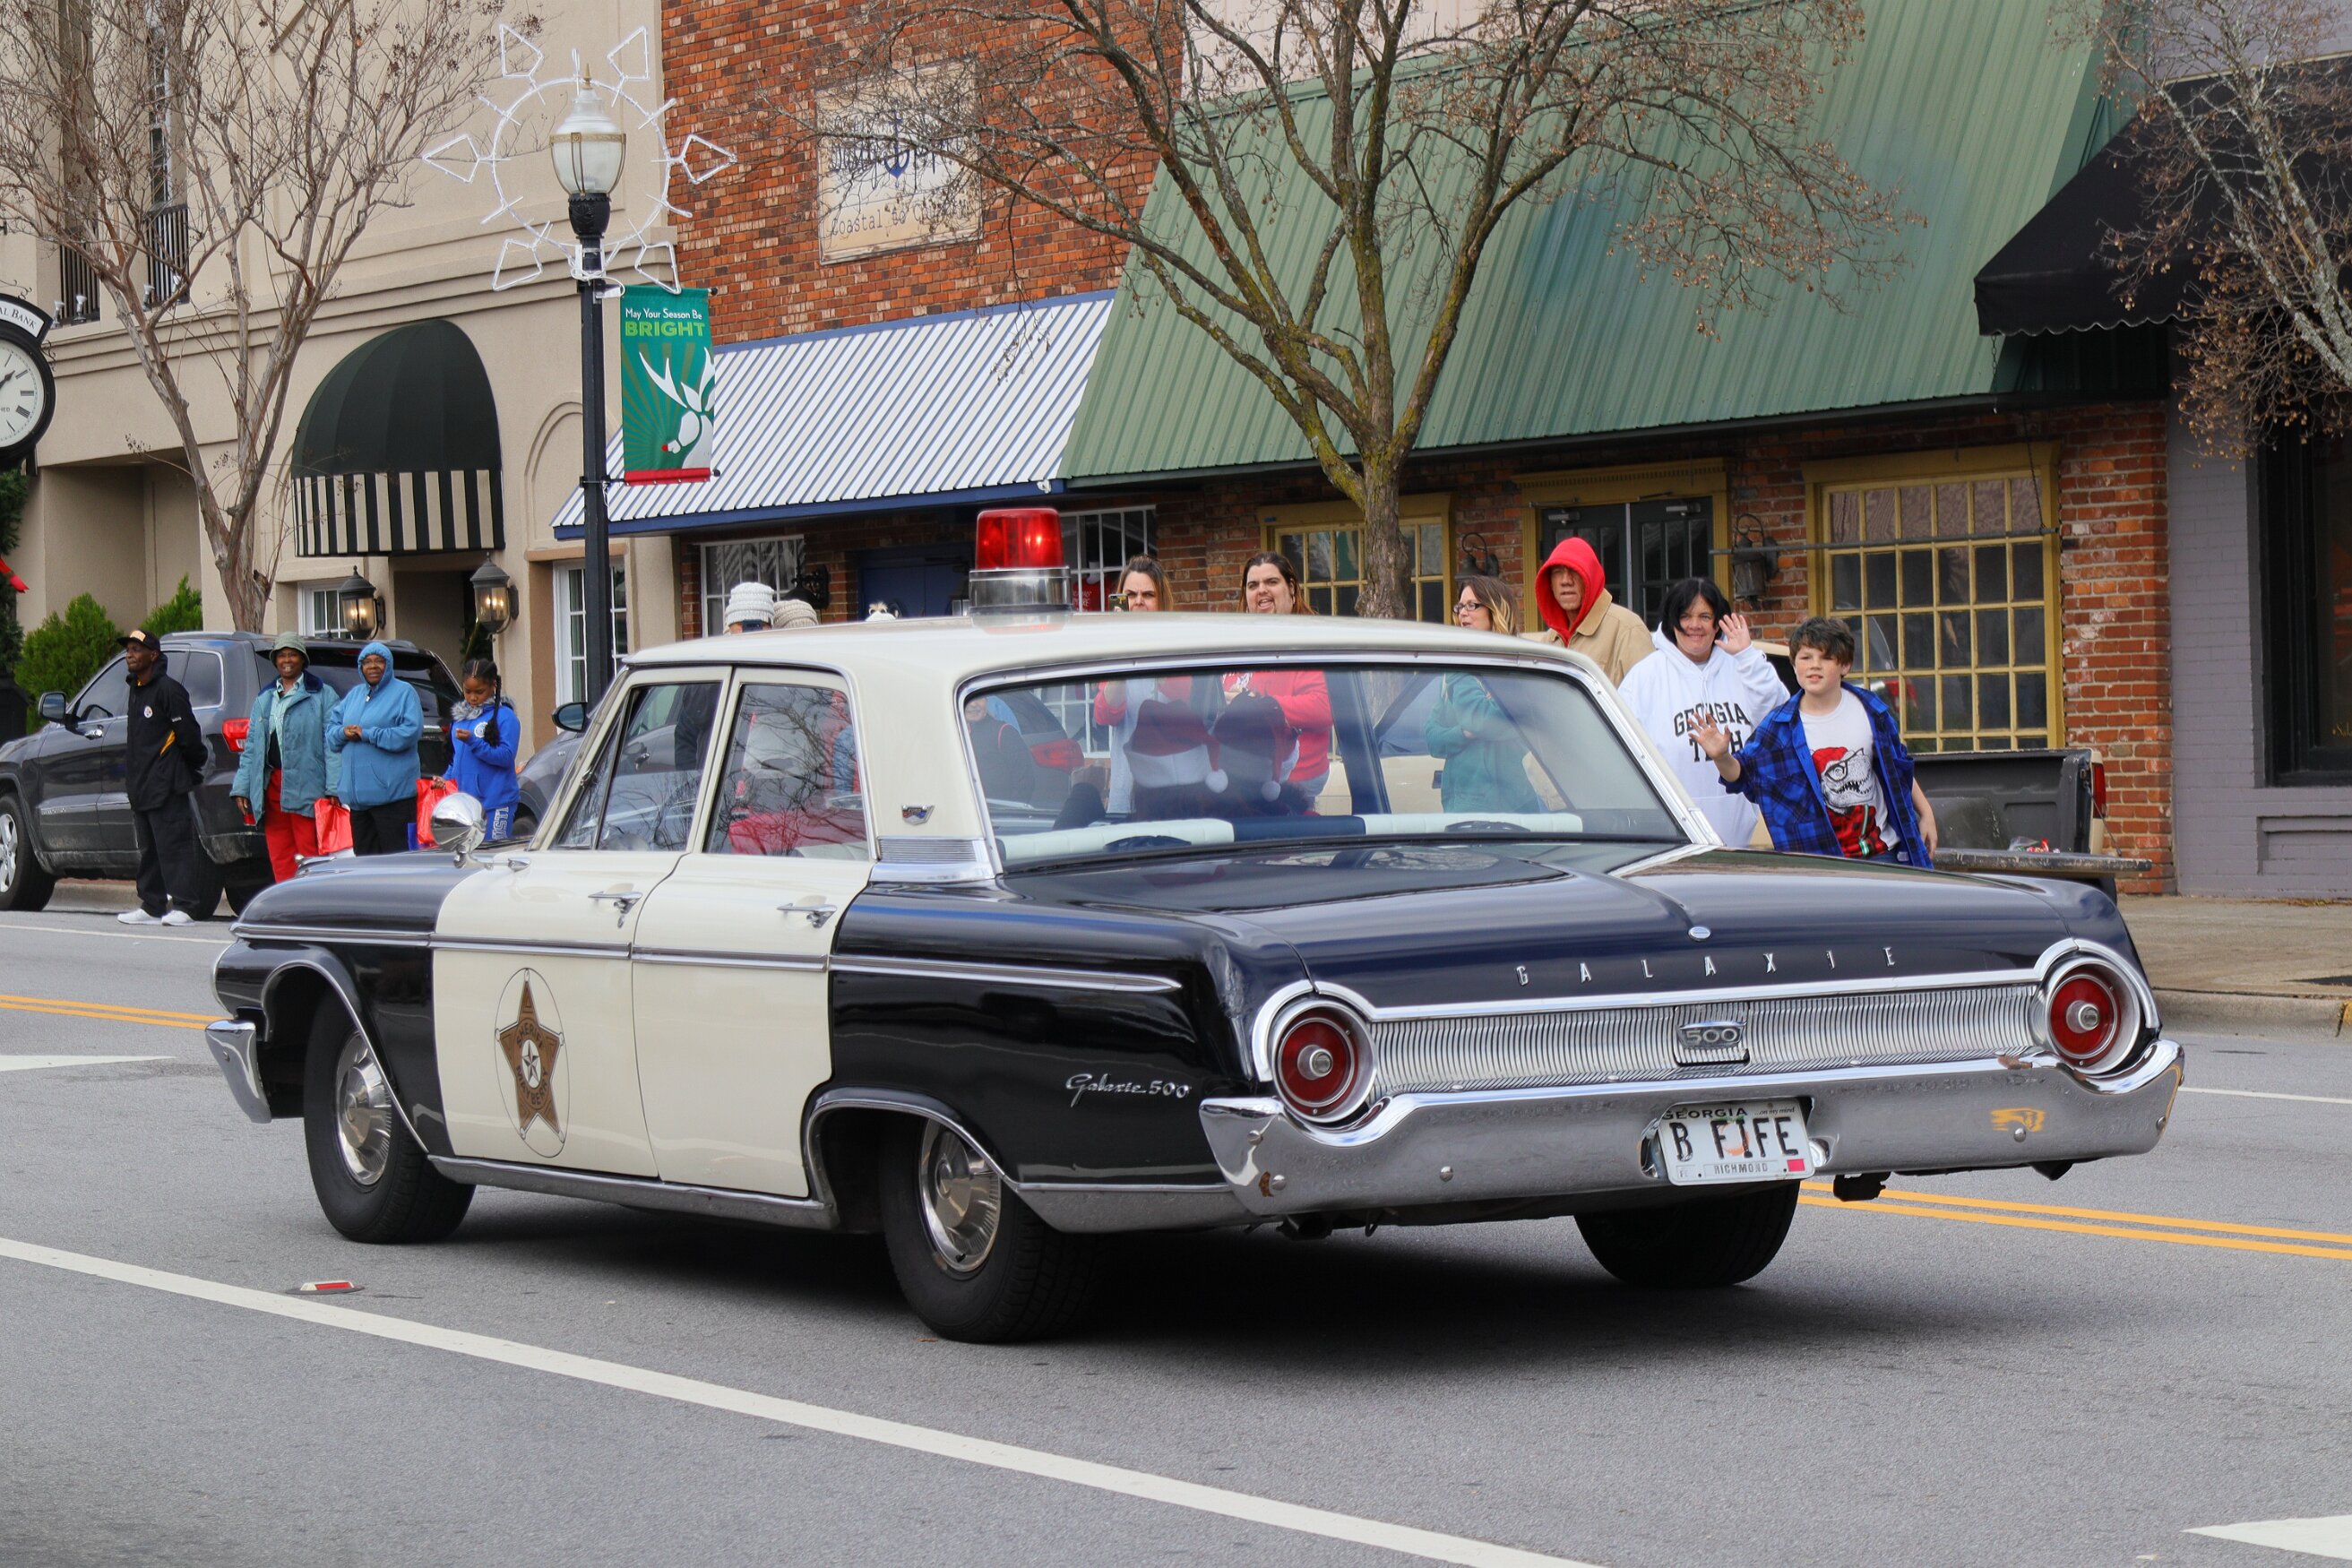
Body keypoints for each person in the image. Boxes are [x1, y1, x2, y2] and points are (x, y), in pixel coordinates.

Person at [1693, 616, 1939, 866]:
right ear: (1794, 664)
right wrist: (1721, 756)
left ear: (1845, 665)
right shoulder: (1779, 727)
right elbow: (1743, 776)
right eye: (1806, 658)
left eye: (1826, 658)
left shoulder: (1870, 709)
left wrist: (1926, 813)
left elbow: (1897, 766)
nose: (1815, 666)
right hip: (1818, 864)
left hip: (1882, 854)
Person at [1615, 577, 1789, 848]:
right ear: (1672, 620)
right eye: (1685, 616)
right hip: (1671, 840)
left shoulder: (1742, 666)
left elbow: (1780, 716)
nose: (1694, 625)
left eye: (1705, 616)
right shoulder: (1644, 677)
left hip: (1742, 841)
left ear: (1718, 622)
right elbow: (1622, 753)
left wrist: (1747, 656)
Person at [1426, 575, 1540, 814]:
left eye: (1472, 605)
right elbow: (1433, 739)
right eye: (1460, 606)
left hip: (1515, 806)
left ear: (1495, 610)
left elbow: (1493, 721)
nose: (1463, 613)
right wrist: (1464, 732)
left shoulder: (1520, 666)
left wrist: (1477, 723)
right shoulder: (1455, 670)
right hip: (1464, 808)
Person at [116, 628, 207, 925]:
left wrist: (185, 768)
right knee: (149, 849)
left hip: (167, 783)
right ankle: (152, 904)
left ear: (153, 655)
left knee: (174, 846)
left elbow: (189, 737)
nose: (130, 655)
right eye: (128, 650)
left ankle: (186, 906)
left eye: (136, 649)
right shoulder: (136, 689)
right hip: (141, 785)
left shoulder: (169, 690)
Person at [1229, 552, 1333, 797]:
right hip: (1239, 775)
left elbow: (1324, 707)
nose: (1261, 590)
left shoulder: (1310, 642)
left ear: (1292, 589)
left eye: (1271, 582)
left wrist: (1257, 704)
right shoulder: (1234, 644)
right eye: (1253, 585)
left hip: (1291, 784)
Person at [230, 633, 332, 883]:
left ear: (302, 659)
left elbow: (333, 745)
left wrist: (333, 788)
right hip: (272, 787)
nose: (287, 660)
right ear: (275, 660)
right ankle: (288, 901)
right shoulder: (265, 698)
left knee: (310, 854)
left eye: (293, 654)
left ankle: (313, 901)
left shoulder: (323, 695)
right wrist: (242, 786)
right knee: (280, 855)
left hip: (310, 786)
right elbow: (252, 748)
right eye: (282, 655)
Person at [1093, 556, 1178, 813]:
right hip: (1127, 793)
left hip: (1175, 792)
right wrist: (1123, 649)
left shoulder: (1180, 647)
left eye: (1148, 595)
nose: (1138, 601)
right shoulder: (1114, 653)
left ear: (1162, 601)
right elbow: (1105, 713)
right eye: (1131, 595)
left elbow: (1185, 700)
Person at [325, 640, 423, 856]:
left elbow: (410, 733)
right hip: (359, 804)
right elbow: (331, 733)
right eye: (367, 662)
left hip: (393, 801)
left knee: (396, 864)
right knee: (365, 866)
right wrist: (343, 733)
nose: (373, 666)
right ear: (361, 667)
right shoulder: (354, 695)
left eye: (379, 661)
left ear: (388, 665)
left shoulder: (404, 693)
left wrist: (369, 734)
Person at [1523, 537, 1650, 683]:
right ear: (1550, 584)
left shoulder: (1627, 629)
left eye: (1574, 571)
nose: (1566, 581)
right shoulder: (1549, 641)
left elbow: (1649, 692)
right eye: (1557, 572)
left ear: (1591, 577)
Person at [444, 657, 521, 840]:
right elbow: (457, 759)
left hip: (496, 803)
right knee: (469, 854)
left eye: (479, 692)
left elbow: (506, 756)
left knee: (492, 854)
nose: (472, 697)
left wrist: (474, 742)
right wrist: (445, 779)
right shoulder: (461, 719)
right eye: (467, 691)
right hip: (466, 806)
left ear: (494, 686)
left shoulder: (505, 717)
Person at [965, 694, 1039, 803]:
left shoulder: (1004, 732)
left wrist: (1010, 810)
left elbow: (1024, 781)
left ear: (987, 701)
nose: (973, 704)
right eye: (967, 699)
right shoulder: (954, 734)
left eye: (979, 698)